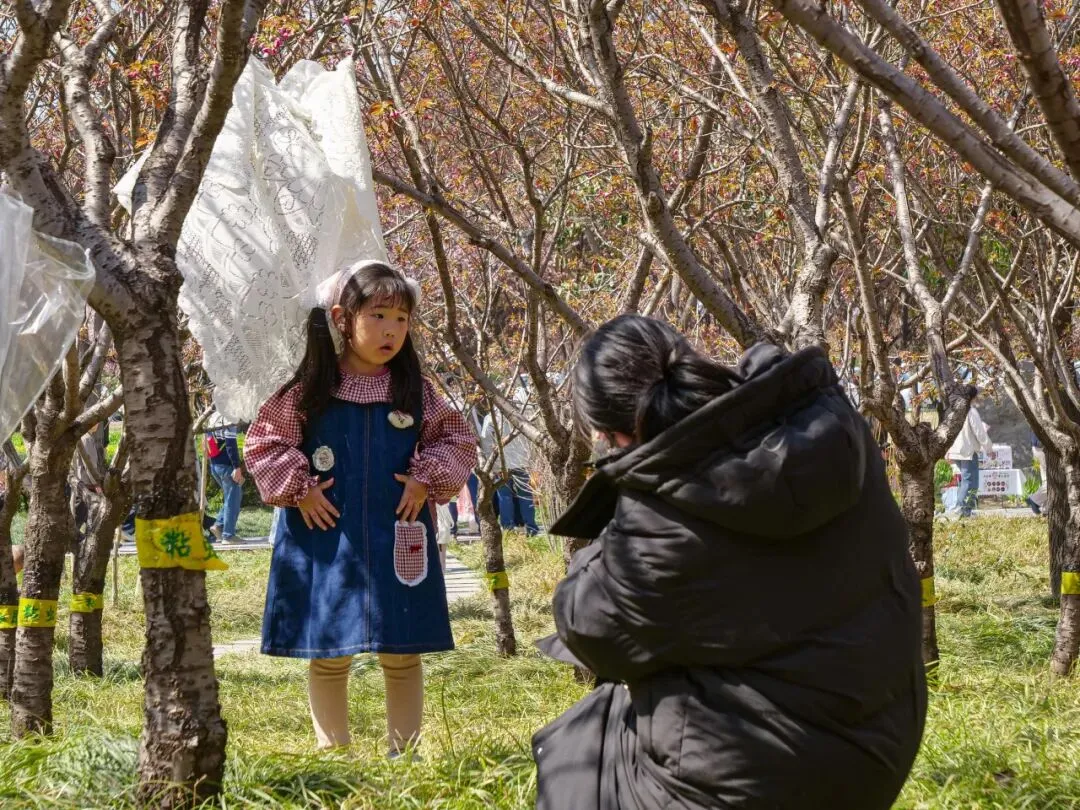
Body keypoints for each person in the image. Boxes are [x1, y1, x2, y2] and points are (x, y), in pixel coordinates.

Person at [532, 315, 926, 810]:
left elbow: (586, 627)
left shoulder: (662, 520)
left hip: (768, 782)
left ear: (607, 432)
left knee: (576, 752)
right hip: (883, 740)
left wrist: (623, 493)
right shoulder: (820, 420)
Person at [245, 261, 475, 756]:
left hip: (398, 534)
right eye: (379, 316)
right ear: (342, 319)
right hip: (326, 537)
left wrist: (425, 479)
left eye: (401, 319)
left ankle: (403, 753)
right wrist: (300, 488)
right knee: (329, 652)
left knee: (402, 649)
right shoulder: (310, 388)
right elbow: (265, 442)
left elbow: (457, 439)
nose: (392, 330)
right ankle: (335, 753)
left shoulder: (415, 391)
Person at [480, 403, 539, 536]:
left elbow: (486, 442)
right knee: (526, 496)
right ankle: (531, 528)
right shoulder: (522, 415)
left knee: (504, 497)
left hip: (502, 464)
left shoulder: (491, 417)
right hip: (522, 461)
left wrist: (492, 466)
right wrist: (531, 460)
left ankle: (508, 529)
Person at [946, 388, 995, 518]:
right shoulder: (971, 411)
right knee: (970, 481)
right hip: (968, 451)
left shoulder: (954, 410)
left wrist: (948, 451)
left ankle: (965, 509)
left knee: (965, 481)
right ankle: (962, 509)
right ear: (973, 397)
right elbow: (980, 432)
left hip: (956, 450)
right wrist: (989, 449)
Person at [207, 424, 245, 543]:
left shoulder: (212, 419)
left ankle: (219, 525)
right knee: (233, 499)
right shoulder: (228, 420)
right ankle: (228, 535)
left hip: (215, 465)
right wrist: (236, 467)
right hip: (226, 466)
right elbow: (231, 444)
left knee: (231, 497)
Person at [1028, 432, 1047, 516]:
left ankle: (1047, 509)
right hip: (1042, 448)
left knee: (1046, 480)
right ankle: (1034, 499)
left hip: (1039, 447)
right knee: (1052, 482)